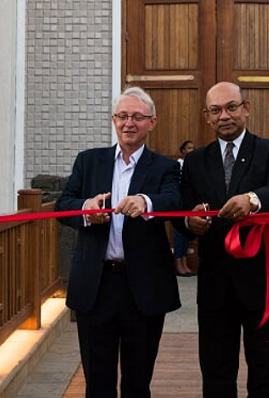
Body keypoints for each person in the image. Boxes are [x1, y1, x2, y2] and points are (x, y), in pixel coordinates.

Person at [55, 86, 182, 398]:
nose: (129, 123)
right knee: (97, 383)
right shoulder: (89, 161)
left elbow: (175, 200)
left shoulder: (166, 167)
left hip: (144, 286)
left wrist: (145, 201)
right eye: (123, 116)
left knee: (138, 383)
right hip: (96, 286)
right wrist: (85, 210)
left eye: (137, 117)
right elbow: (63, 205)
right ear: (113, 120)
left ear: (152, 122)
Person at [175, 81, 269, 398]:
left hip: (264, 283)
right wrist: (191, 221)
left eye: (231, 107)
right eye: (216, 110)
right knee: (216, 373)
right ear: (206, 116)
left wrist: (253, 200)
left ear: (247, 107)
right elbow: (182, 213)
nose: (224, 116)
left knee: (267, 373)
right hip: (216, 285)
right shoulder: (195, 161)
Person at [173, 139, 196, 276]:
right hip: (179, 203)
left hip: (189, 202)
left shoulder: (194, 164)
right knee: (179, 234)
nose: (191, 151)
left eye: (193, 148)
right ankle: (178, 263)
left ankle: (185, 263)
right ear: (183, 150)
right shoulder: (179, 164)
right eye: (188, 148)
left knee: (186, 235)